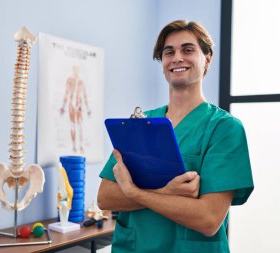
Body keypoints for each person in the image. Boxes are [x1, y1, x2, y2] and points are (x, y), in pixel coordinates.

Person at [97, 20, 254, 253]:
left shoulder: (223, 129)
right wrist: (166, 192)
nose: (177, 57)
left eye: (188, 49)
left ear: (207, 58)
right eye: (169, 52)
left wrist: (133, 192)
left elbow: (209, 219)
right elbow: (105, 197)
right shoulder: (139, 123)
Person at [60, 65, 91, 154]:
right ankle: (74, 146)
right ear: (73, 70)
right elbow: (66, 93)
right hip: (72, 105)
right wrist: (63, 106)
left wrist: (88, 108)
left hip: (79, 105)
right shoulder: (70, 80)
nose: (76, 71)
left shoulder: (81, 81)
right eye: (75, 69)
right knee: (73, 126)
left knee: (80, 126)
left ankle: (80, 146)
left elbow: (85, 95)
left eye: (78, 69)